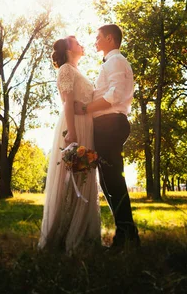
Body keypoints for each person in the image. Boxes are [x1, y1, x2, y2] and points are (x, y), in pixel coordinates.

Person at [75, 24, 140, 248]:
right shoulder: (111, 62)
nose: (95, 41)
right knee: (107, 180)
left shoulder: (116, 61)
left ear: (110, 39)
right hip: (106, 125)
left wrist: (85, 109)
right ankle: (127, 231)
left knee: (113, 180)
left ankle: (126, 235)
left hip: (111, 124)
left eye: (98, 37)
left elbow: (115, 94)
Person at [38, 36, 101, 253]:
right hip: (73, 125)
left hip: (86, 125)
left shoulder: (78, 71)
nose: (81, 43)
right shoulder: (65, 69)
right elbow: (67, 103)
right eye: (76, 41)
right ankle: (65, 234)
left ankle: (85, 233)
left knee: (85, 175)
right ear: (68, 49)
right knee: (74, 175)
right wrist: (72, 133)